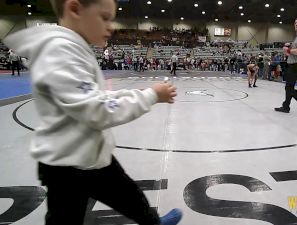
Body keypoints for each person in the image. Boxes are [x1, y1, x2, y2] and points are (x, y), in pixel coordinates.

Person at [3, 1, 182, 225]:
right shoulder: (60, 52)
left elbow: (97, 97)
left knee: (132, 198)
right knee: (68, 218)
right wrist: (150, 96)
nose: (111, 27)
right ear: (75, 10)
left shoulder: (73, 48)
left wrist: (143, 93)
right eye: (104, 17)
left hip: (89, 154)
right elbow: (96, 110)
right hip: (68, 166)